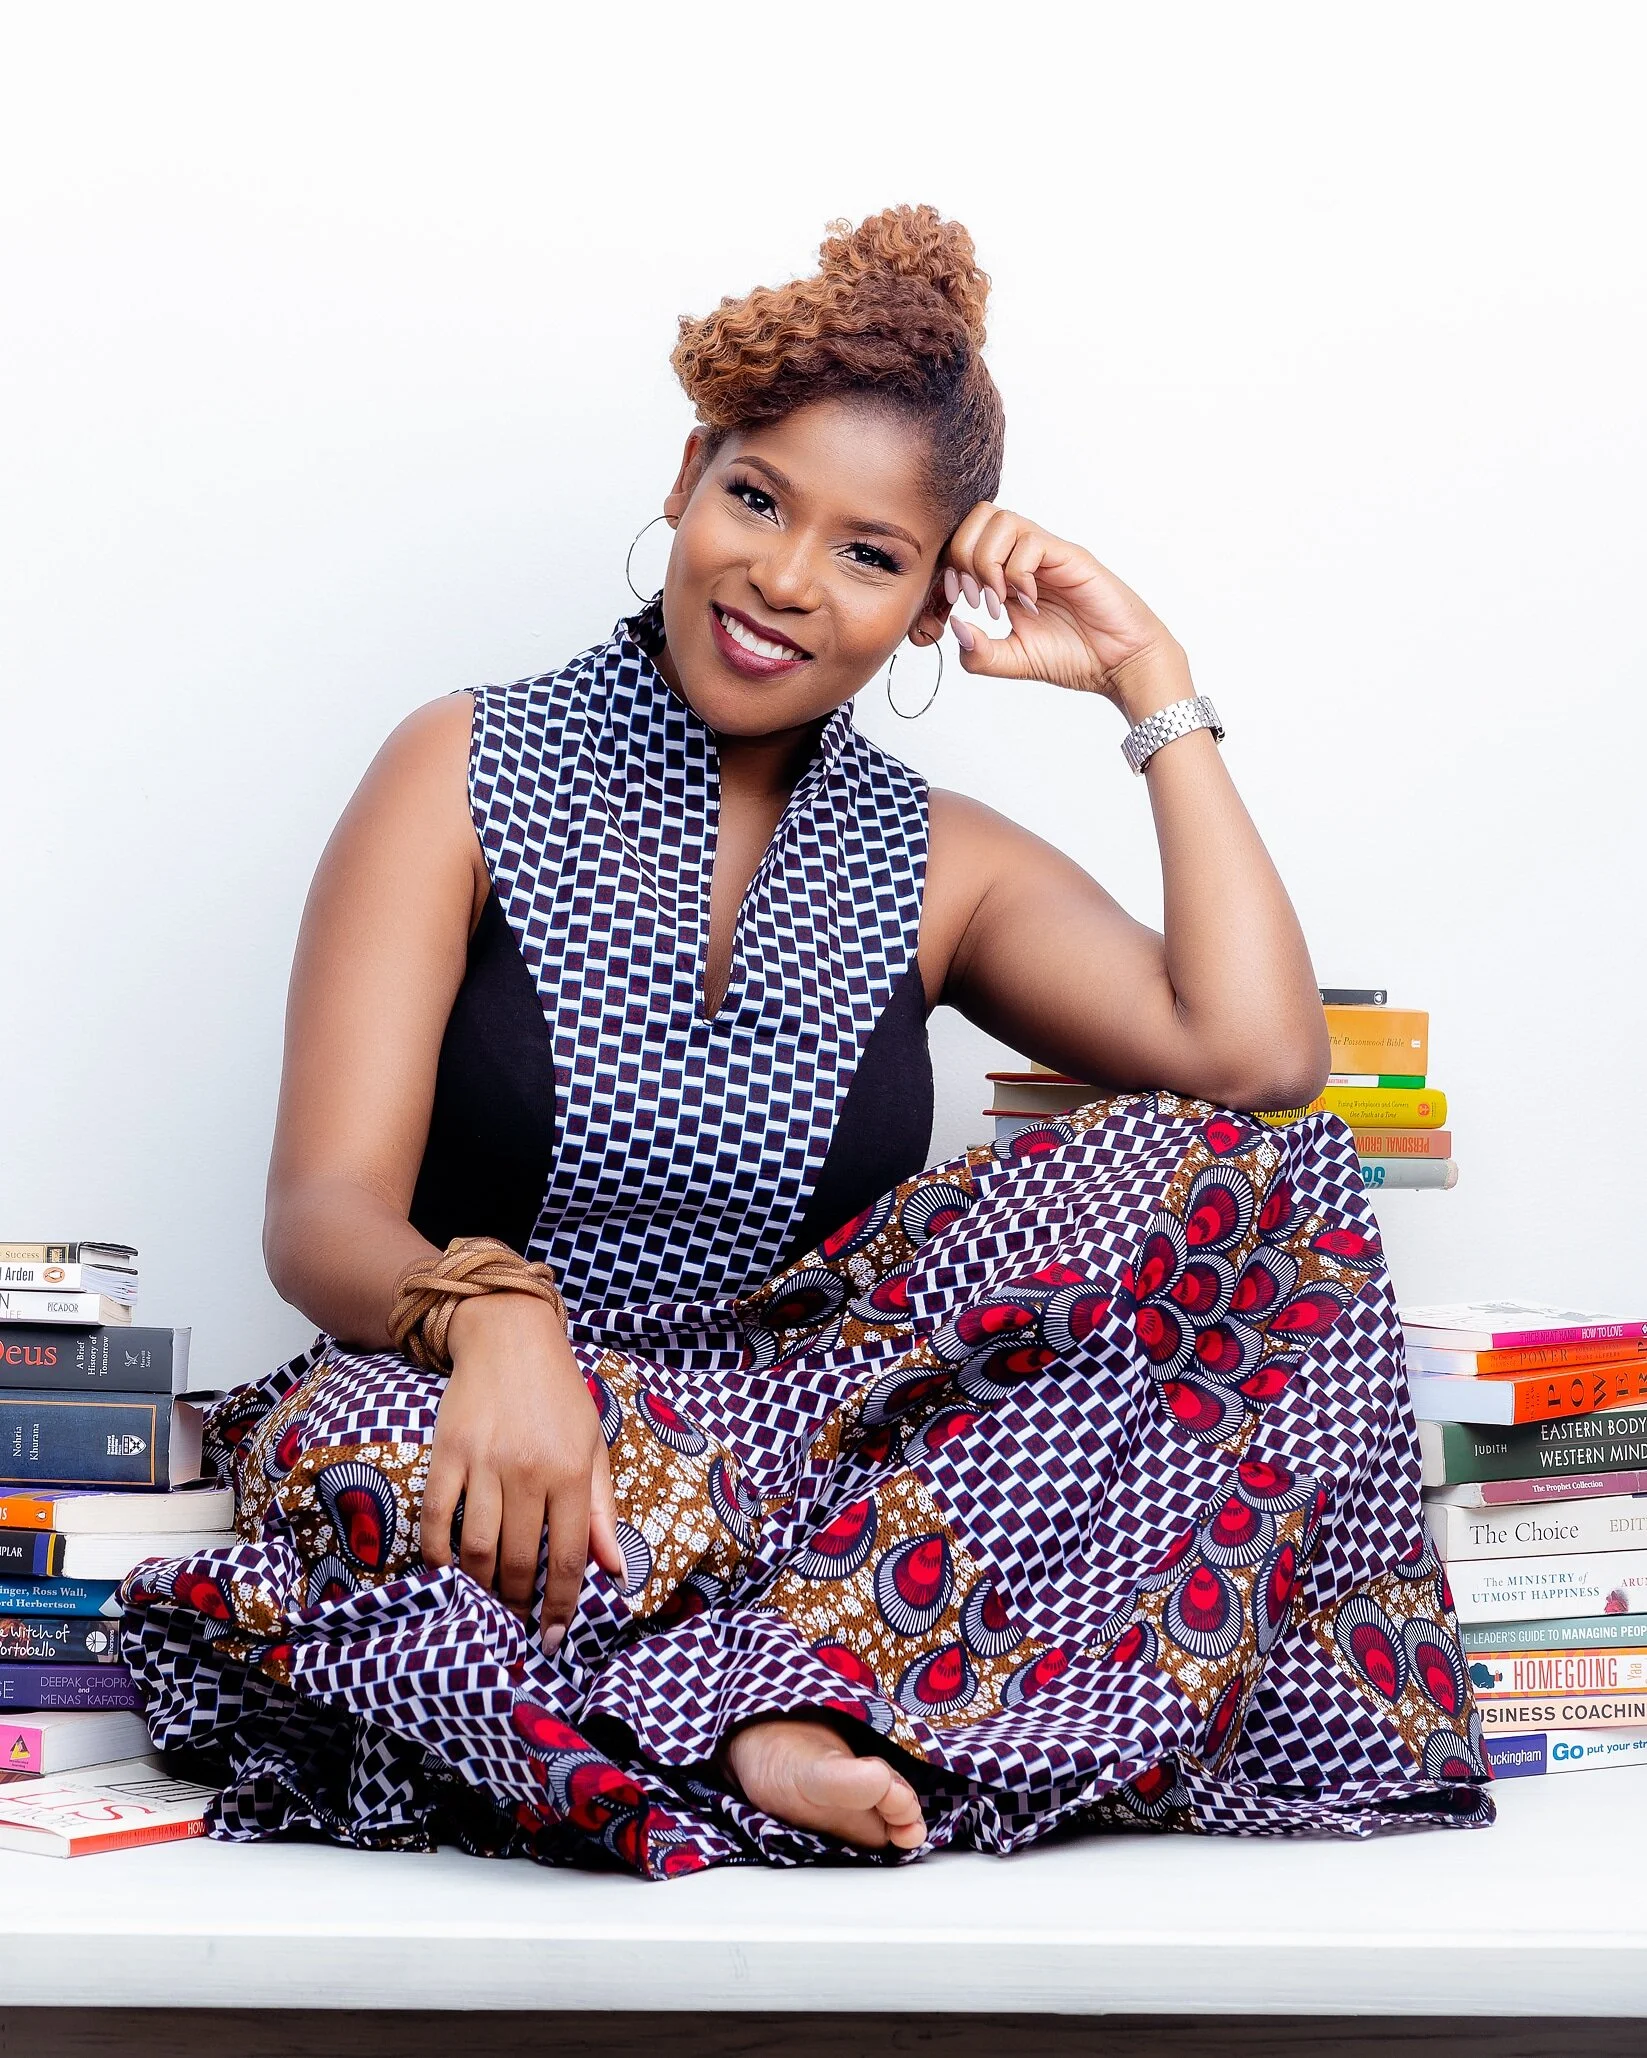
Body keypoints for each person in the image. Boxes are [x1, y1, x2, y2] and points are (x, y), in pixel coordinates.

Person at [122, 205, 1491, 1875]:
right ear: (685, 476)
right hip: (489, 1425)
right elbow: (320, 1209)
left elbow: (1255, 1060)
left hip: (807, 1457)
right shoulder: (461, 766)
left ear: (926, 606)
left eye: (868, 553)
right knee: (355, 1471)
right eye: (758, 498)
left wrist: (1149, 678)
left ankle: (753, 1694)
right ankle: (787, 1706)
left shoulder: (941, 861)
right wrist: (495, 1323)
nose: (782, 579)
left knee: (1249, 1174)